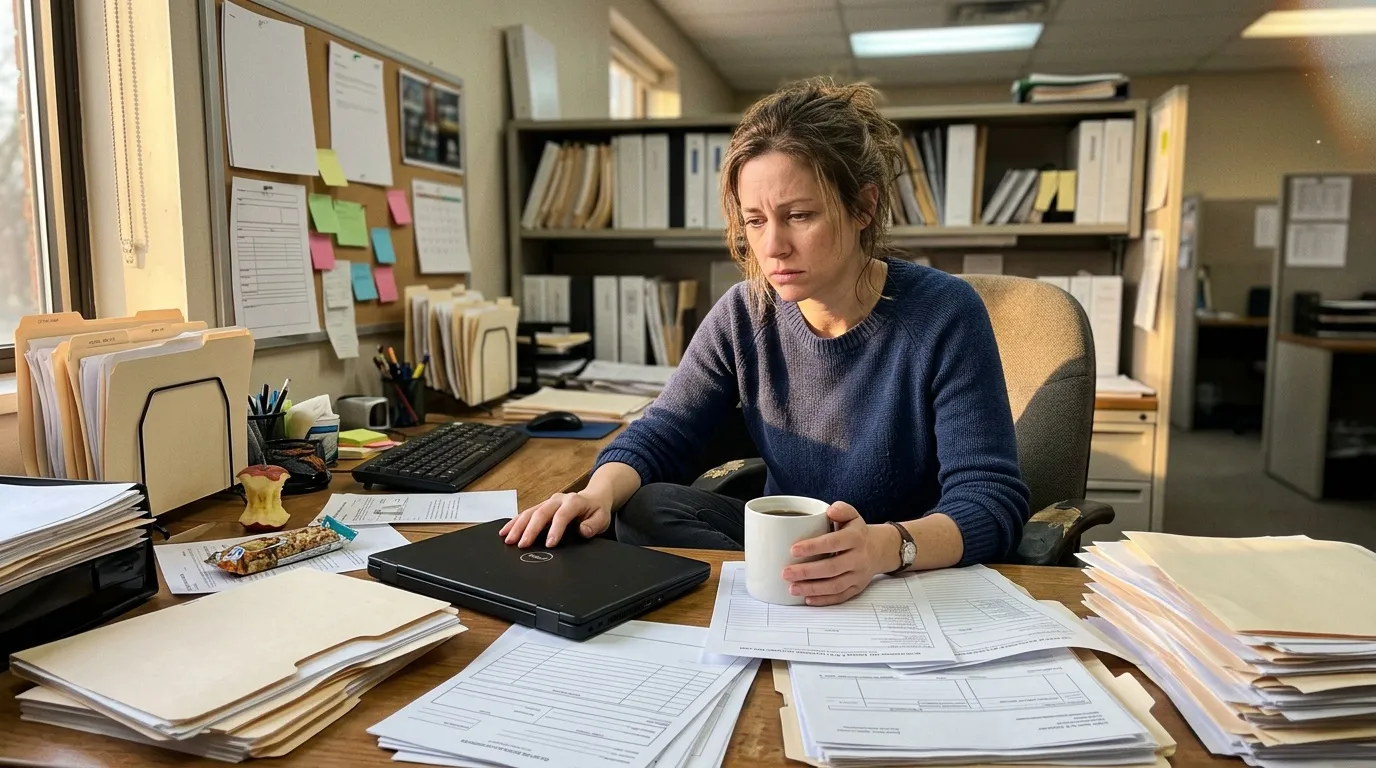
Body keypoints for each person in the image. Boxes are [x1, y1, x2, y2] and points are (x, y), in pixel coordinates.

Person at [501, 78, 1030, 605]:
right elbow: (664, 432)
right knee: (642, 508)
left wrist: (882, 547)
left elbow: (989, 500)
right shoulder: (744, 312)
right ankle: (785, 596)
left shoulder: (945, 313)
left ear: (863, 206)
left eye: (799, 215)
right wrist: (595, 493)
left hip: (897, 567)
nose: (773, 246)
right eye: (755, 220)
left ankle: (792, 593)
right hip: (783, 550)